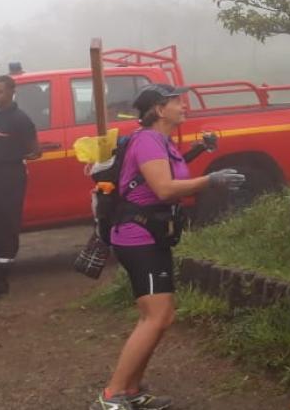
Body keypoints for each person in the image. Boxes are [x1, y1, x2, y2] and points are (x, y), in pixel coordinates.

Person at [90, 83, 245, 410]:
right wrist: (210, 180)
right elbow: (163, 188)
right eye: (178, 101)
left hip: (149, 236)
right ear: (160, 110)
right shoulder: (148, 141)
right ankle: (112, 395)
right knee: (157, 317)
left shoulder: (162, 142)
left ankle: (131, 390)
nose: (184, 106)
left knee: (158, 316)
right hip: (138, 237)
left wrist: (202, 154)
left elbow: (165, 177)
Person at [0, 75, 40, 302]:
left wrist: (13, 156)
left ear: (12, 92)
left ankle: (0, 279)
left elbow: (34, 150)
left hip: (12, 177)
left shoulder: (21, 120)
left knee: (6, 225)